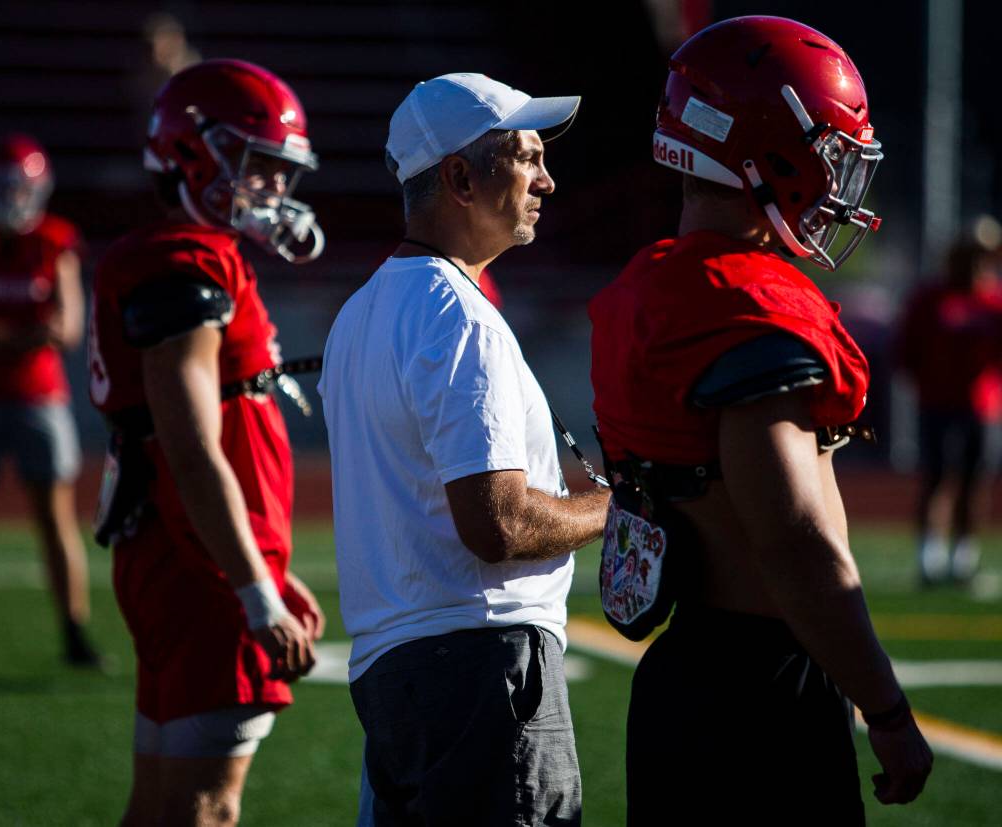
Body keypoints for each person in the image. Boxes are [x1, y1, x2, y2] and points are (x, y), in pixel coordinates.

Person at [588, 17, 933, 824]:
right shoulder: (748, 308)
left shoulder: (649, 288)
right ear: (769, 151)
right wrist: (882, 704)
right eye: (830, 153)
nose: (839, 179)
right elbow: (795, 538)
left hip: (683, 675)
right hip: (762, 683)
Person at [319, 73, 610, 826]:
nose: (546, 178)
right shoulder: (458, 317)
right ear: (458, 177)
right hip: (482, 664)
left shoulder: (360, 313)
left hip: (396, 670)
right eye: (525, 156)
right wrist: (619, 506)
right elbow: (498, 523)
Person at [88, 59, 325, 826]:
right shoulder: (186, 257)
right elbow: (191, 444)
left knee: (160, 805)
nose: (272, 193)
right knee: (206, 808)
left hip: (190, 554)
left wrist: (265, 573)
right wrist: (254, 590)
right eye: (256, 169)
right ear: (195, 152)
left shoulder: (181, 251)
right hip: (203, 567)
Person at [0, 134, 101, 666]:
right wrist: (25, 334)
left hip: (38, 397)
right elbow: (43, 329)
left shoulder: (54, 239)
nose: (12, 197)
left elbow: (67, 327)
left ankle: (75, 632)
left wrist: (0, 334)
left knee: (56, 518)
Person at [897, 235, 1002, 584]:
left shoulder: (992, 302)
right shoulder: (931, 299)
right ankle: (930, 557)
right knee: (938, 477)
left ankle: (963, 559)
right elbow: (906, 350)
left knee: (975, 481)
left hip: (982, 408)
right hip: (937, 405)